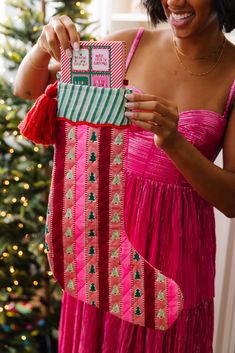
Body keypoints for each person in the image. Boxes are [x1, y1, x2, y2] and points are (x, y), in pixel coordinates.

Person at [14, 0, 235, 352]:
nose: (175, 1)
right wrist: (43, 46)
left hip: (177, 252)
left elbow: (232, 200)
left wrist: (174, 142)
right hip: (101, 249)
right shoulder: (127, 47)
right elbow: (27, 90)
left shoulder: (233, 74)